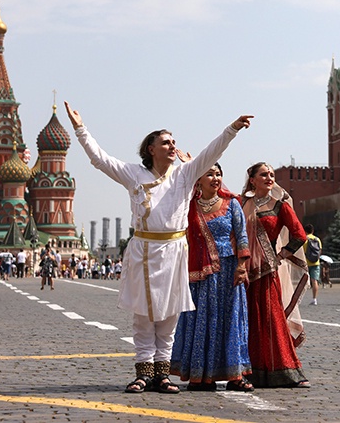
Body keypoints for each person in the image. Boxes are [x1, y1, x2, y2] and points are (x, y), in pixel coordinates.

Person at [65, 101, 252, 395]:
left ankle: (162, 375)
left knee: (169, 316)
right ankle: (143, 374)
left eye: (173, 142)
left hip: (175, 251)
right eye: (165, 142)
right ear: (151, 149)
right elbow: (100, 159)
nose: (172, 146)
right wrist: (80, 129)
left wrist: (232, 129)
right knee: (143, 316)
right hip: (143, 250)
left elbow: (211, 153)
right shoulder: (134, 174)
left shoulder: (184, 175)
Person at [171, 163, 254, 392]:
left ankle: (235, 376)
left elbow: (242, 236)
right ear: (198, 179)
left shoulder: (232, 203)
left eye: (218, 174)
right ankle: (200, 376)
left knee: (230, 321)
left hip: (228, 272)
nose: (215, 178)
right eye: (210, 174)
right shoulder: (188, 207)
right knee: (202, 322)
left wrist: (241, 266)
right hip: (200, 275)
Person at [242, 162, 310, 388]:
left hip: (267, 272)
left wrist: (281, 255)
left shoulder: (280, 206)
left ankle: (286, 370)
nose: (269, 178)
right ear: (252, 180)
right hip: (243, 273)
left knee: (272, 319)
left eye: (271, 174)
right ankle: (247, 372)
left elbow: (300, 235)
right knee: (248, 320)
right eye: (263, 174)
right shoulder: (241, 204)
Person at [303, 224, 323, 305]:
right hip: (315, 263)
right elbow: (320, 250)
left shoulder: (304, 239)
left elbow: (302, 251)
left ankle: (299, 298)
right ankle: (314, 299)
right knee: (314, 281)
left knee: (302, 281)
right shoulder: (317, 239)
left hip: (306, 263)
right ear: (312, 231)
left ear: (305, 231)